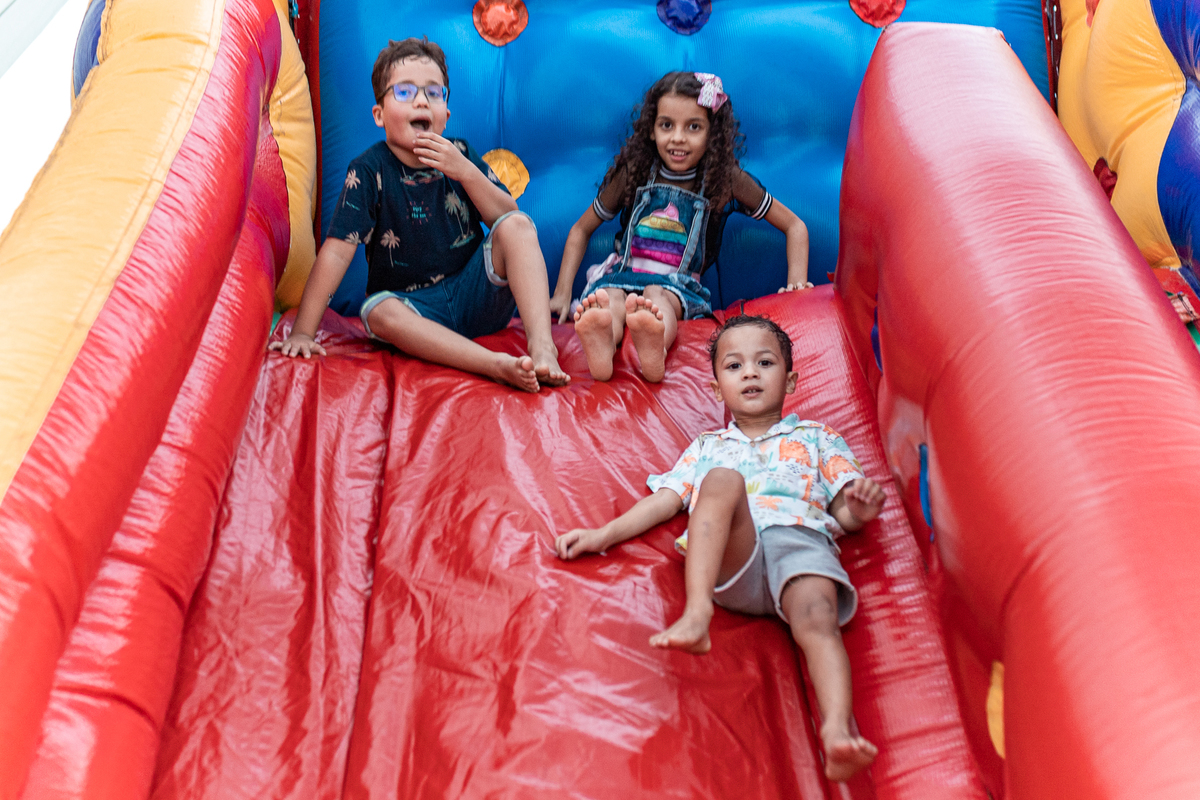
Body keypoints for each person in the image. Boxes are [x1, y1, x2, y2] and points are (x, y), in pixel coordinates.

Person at [555, 314, 882, 782]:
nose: (750, 373)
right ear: (715, 389)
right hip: (734, 555)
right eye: (734, 366)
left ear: (790, 380)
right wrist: (602, 535)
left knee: (819, 620)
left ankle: (835, 733)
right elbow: (666, 501)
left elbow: (843, 513)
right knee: (722, 480)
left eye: (764, 363)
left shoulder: (818, 438)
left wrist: (859, 509)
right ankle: (697, 614)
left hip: (800, 541)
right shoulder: (708, 446)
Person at [271, 37, 568, 392]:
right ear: (379, 115)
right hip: (415, 311)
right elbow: (336, 253)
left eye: (434, 93)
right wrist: (303, 332)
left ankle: (542, 348)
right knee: (376, 311)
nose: (422, 100)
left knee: (517, 225)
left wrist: (465, 172)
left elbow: (509, 220)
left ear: (446, 115)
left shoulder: (460, 154)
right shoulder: (368, 170)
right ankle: (493, 364)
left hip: (477, 298)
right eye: (405, 92)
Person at [549, 71, 811, 383]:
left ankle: (654, 346)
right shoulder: (635, 172)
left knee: (658, 298)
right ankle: (603, 344)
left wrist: (797, 285)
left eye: (693, 127)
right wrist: (562, 293)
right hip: (622, 274)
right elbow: (580, 229)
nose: (678, 138)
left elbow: (794, 225)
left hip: (677, 285)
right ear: (651, 129)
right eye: (666, 125)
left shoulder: (724, 180)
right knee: (609, 298)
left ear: (712, 133)